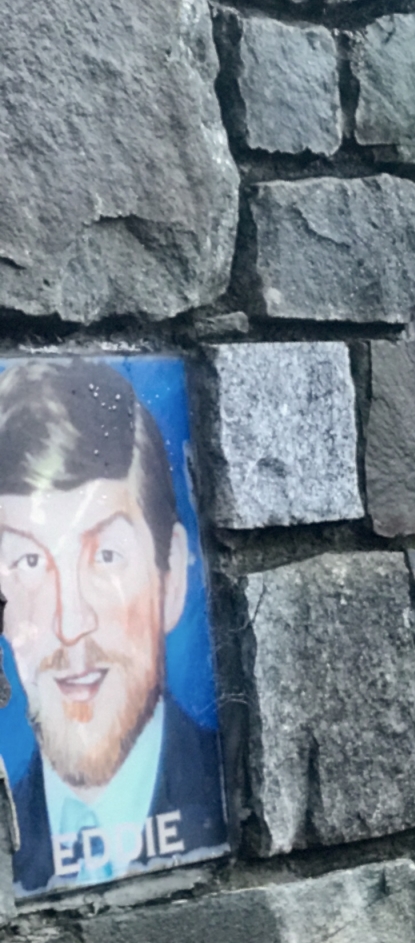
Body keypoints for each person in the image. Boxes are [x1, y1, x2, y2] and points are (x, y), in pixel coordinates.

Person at [0, 359, 227, 894]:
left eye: (104, 556)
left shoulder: (219, 796)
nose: (70, 623)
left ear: (169, 577)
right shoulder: (17, 853)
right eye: (29, 564)